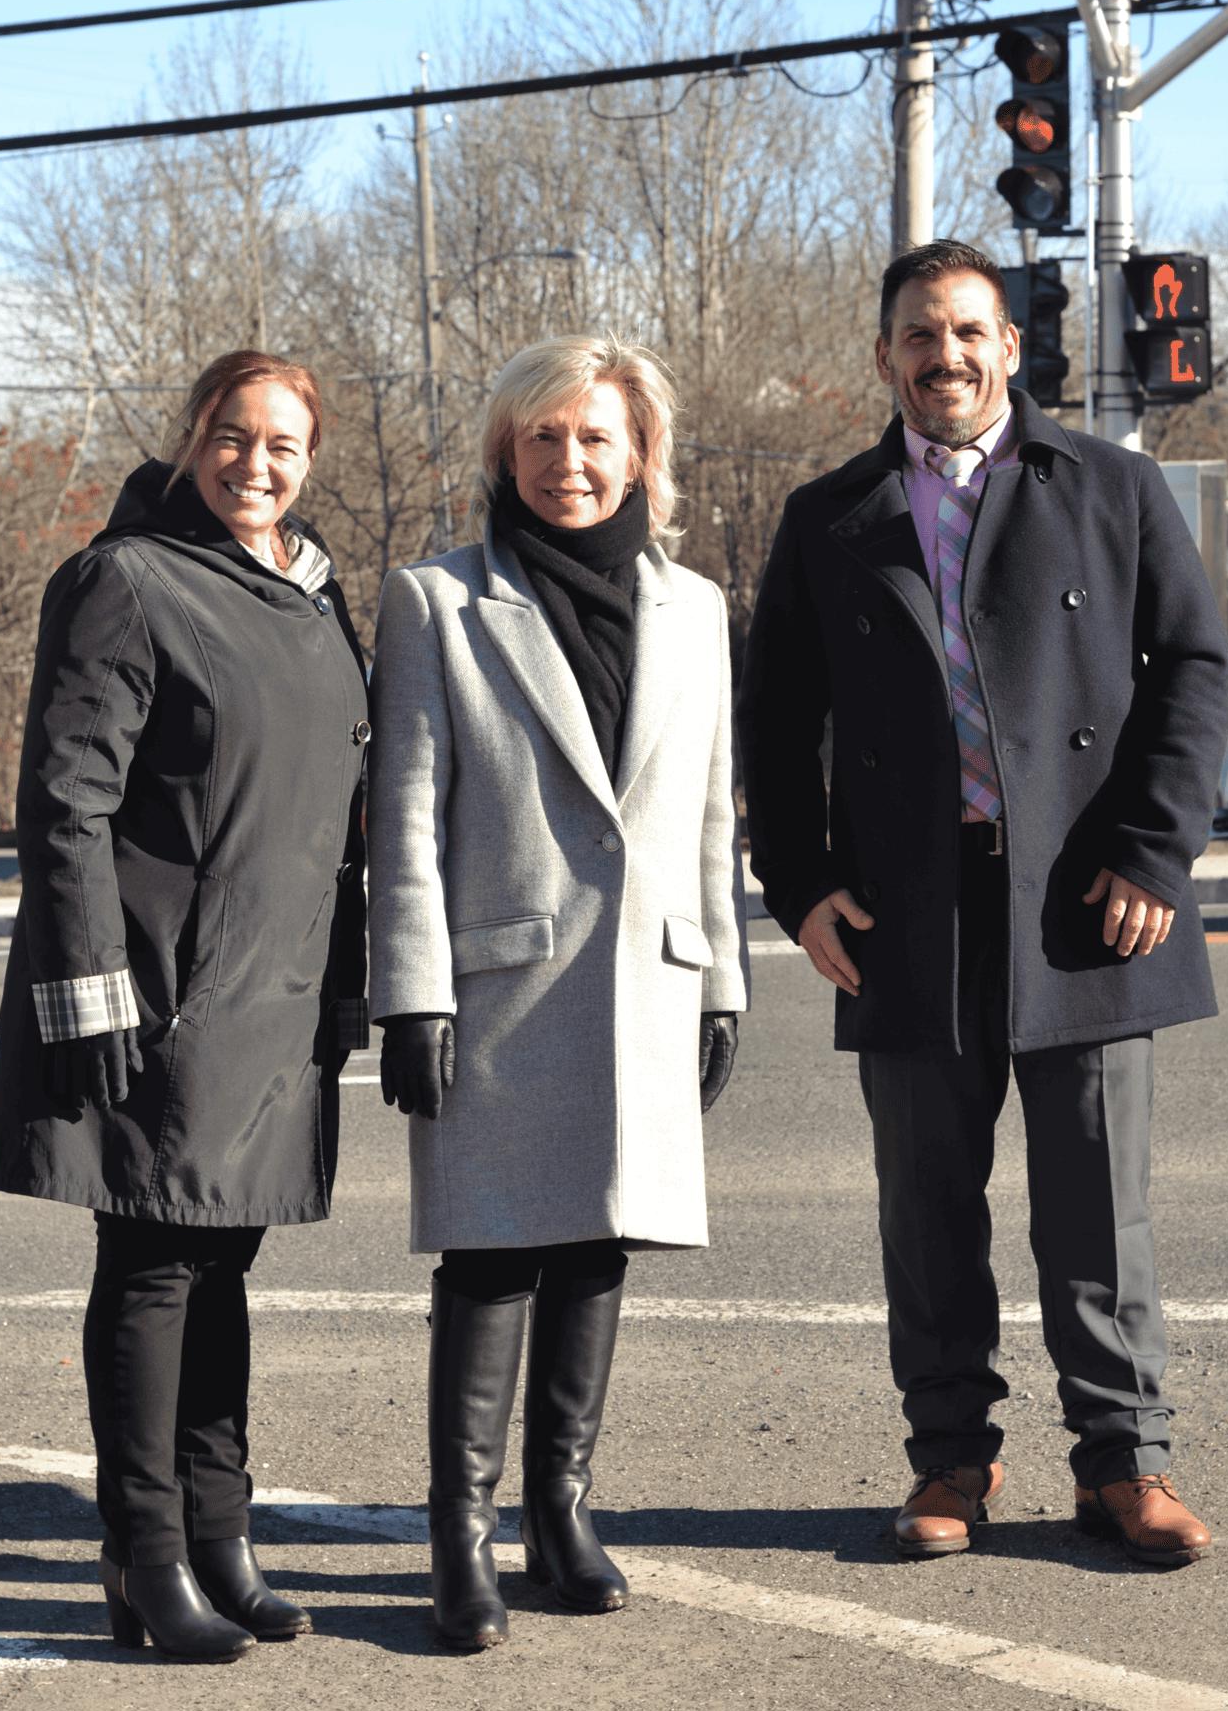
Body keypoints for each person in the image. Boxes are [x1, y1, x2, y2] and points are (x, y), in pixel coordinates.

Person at [738, 241, 1228, 1569]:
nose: (943, 357)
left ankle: (1125, 1466)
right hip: (909, 909)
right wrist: (800, 887)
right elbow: (776, 725)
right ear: (882, 356)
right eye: (917, 336)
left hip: (1086, 899)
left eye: (967, 332)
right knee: (928, 1209)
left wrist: (1152, 851)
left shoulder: (1110, 489)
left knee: (1095, 1210)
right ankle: (950, 1460)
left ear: (1010, 347)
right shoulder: (829, 518)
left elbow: (1193, 674)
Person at [367, 333, 748, 1651]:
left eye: (596, 438)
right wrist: (409, 990)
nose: (569, 462)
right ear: (505, 453)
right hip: (498, 983)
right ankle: (459, 1539)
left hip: (646, 976)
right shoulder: (437, 602)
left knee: (598, 1242)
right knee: (488, 1255)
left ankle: (559, 1513)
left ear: (640, 453)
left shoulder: (694, 608)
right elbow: (406, 807)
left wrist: (722, 976)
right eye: (544, 439)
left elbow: (708, 807)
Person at [0, 349, 370, 1661]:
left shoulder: (315, 597)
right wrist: (88, 990)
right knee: (153, 1267)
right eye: (231, 435)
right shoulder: (127, 580)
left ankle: (223, 1538)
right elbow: (68, 802)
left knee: (226, 1261)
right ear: (192, 434)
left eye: (282, 445)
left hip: (280, 988)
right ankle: (143, 1557)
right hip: (158, 989)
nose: (255, 465)